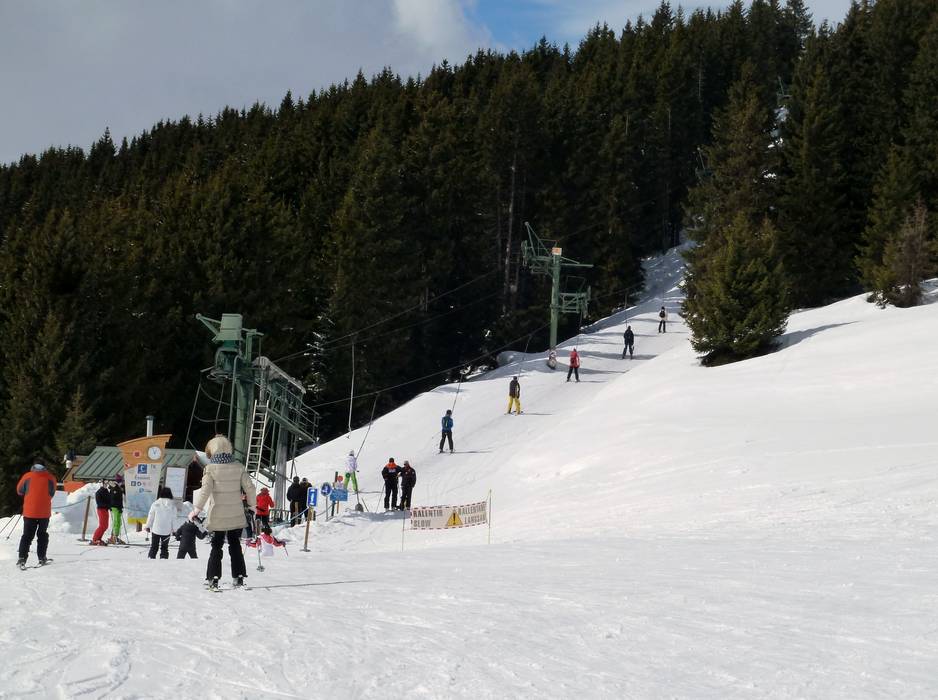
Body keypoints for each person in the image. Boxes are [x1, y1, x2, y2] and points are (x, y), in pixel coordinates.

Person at [189, 434, 257, 590]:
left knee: (216, 546)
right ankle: (239, 577)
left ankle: (213, 578)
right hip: (236, 515)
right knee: (235, 545)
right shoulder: (239, 467)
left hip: (217, 516)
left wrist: (196, 510)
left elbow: (205, 491)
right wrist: (252, 506)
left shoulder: (210, 469)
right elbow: (250, 488)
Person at [15, 460, 57, 568]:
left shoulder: (27, 476)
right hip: (44, 512)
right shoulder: (50, 478)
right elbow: (52, 493)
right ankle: (42, 557)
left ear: (33, 466)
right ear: (44, 467)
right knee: (42, 535)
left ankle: (22, 558)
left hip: (30, 511)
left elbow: (19, 490)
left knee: (27, 535)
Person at [145, 486, 176, 559]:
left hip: (156, 529)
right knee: (164, 548)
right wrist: (175, 530)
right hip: (167, 531)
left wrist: (147, 526)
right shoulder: (172, 505)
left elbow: (151, 516)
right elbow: (174, 519)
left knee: (154, 547)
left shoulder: (155, 503)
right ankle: (163, 560)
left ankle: (151, 559)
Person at [91, 480, 111, 545]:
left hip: (106, 509)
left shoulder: (106, 491)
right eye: (105, 483)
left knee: (105, 526)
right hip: (101, 509)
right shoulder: (99, 492)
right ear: (101, 484)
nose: (106, 485)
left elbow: (109, 500)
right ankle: (95, 539)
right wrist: (108, 505)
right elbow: (99, 503)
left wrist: (110, 505)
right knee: (102, 525)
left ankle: (99, 538)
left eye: (107, 483)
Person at [108, 476, 126, 544]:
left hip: (116, 507)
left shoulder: (118, 488)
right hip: (116, 507)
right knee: (117, 522)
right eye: (121, 481)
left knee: (118, 522)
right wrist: (119, 507)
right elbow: (114, 499)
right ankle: (114, 537)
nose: (122, 483)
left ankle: (114, 536)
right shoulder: (115, 488)